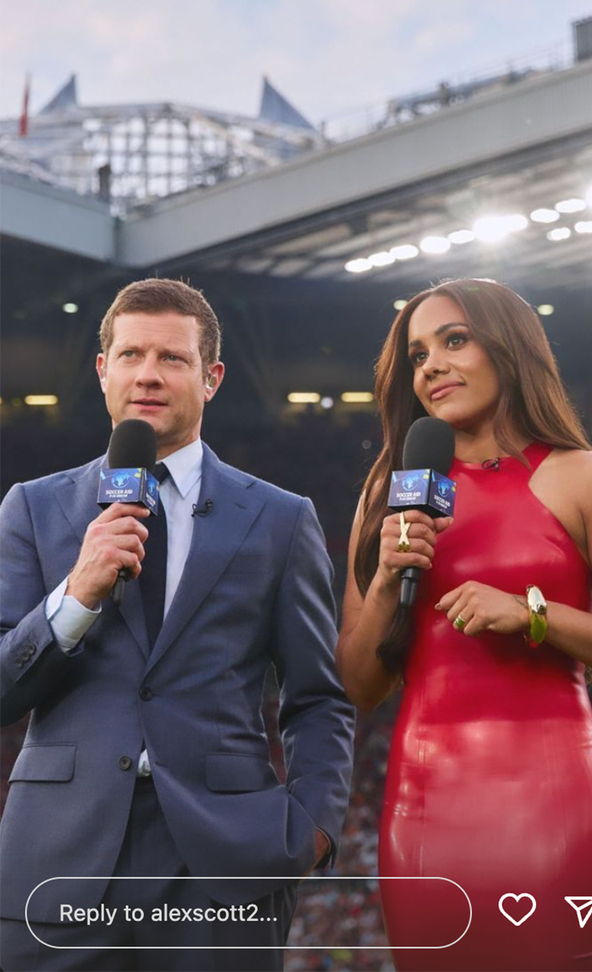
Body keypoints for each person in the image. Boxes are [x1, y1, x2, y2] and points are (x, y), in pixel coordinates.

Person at [0, 278, 354, 972]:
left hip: (222, 862)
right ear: (102, 369)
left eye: (173, 358)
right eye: (131, 354)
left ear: (212, 377)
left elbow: (318, 698)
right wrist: (76, 595)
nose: (149, 375)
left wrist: (311, 827)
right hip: (57, 860)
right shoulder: (32, 509)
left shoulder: (282, 518)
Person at [337, 276, 592, 972]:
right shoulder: (386, 495)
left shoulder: (586, 478)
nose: (432, 365)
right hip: (422, 812)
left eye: (454, 340)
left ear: (510, 349)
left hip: (555, 806)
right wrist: (387, 576)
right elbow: (359, 684)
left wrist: (533, 613)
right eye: (417, 355)